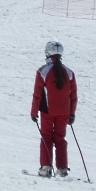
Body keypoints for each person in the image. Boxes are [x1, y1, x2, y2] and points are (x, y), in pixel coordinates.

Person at [31, 41, 78, 178]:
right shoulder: (69, 73)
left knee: (46, 137)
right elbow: (73, 95)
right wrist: (72, 113)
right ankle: (62, 168)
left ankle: (46, 168)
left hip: (47, 111)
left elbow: (37, 94)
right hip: (64, 112)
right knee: (60, 139)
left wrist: (34, 112)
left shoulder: (43, 71)